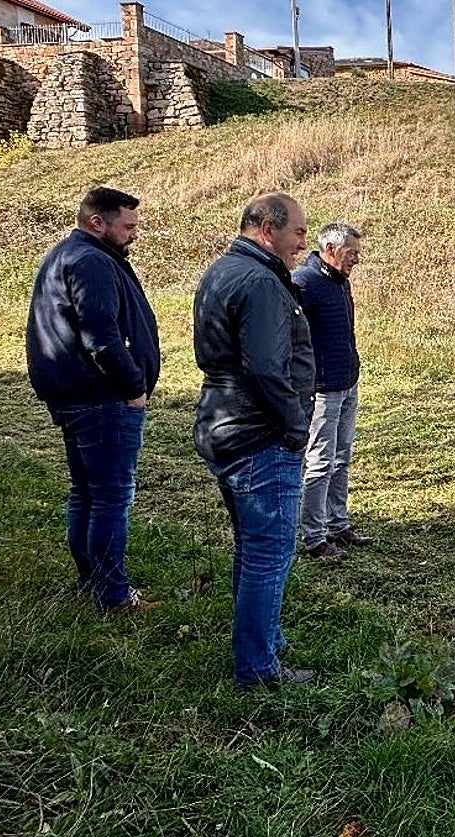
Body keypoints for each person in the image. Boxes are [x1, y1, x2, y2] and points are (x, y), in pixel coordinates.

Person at [192, 192, 317, 689]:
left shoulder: (223, 269)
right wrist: (295, 427)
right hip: (257, 433)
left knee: (252, 547)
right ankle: (258, 670)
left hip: (225, 423)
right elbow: (267, 368)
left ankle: (263, 640)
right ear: (267, 229)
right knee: (269, 553)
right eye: (298, 232)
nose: (303, 244)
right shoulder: (261, 281)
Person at [25, 187, 160, 614]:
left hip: (77, 395)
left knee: (86, 492)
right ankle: (113, 597)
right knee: (109, 498)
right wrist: (133, 387)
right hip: (102, 399)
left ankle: (92, 580)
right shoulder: (91, 261)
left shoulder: (65, 255)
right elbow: (101, 337)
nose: (134, 233)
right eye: (128, 226)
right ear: (97, 222)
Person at [293, 222, 375, 558]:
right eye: (351, 252)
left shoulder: (341, 282)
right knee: (320, 462)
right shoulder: (304, 283)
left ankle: (338, 524)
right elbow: (289, 336)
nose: (357, 259)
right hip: (322, 390)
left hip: (347, 383)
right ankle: (314, 537)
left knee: (342, 458)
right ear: (330, 249)